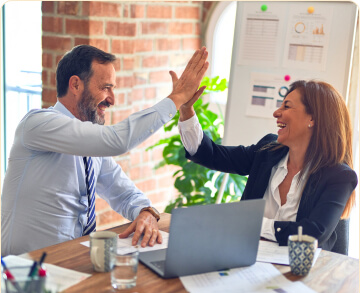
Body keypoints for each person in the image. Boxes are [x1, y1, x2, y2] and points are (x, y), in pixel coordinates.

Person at [1, 44, 209, 256]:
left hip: (70, 262)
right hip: (23, 270)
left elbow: (124, 192)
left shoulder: (89, 147)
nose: (112, 100)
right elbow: (117, 141)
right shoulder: (38, 124)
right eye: (105, 88)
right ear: (75, 85)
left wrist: (146, 212)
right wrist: (177, 98)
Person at [178, 80, 357, 251]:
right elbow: (212, 155)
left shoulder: (339, 176)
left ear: (313, 118)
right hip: (249, 260)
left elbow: (313, 234)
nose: (276, 113)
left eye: (286, 106)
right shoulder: (267, 151)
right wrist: (186, 110)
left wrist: (252, 223)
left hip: (304, 273)